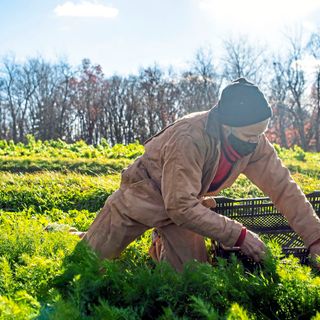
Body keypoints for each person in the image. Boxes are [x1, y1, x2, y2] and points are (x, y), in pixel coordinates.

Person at [82, 78, 320, 272]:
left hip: (183, 208)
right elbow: (178, 205)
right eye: (249, 135)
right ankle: (75, 234)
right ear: (226, 126)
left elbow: (284, 188)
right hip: (141, 197)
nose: (256, 141)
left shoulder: (255, 144)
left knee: (193, 277)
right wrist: (239, 235)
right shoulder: (190, 137)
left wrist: (315, 238)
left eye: (261, 133)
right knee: (84, 266)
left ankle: (160, 244)